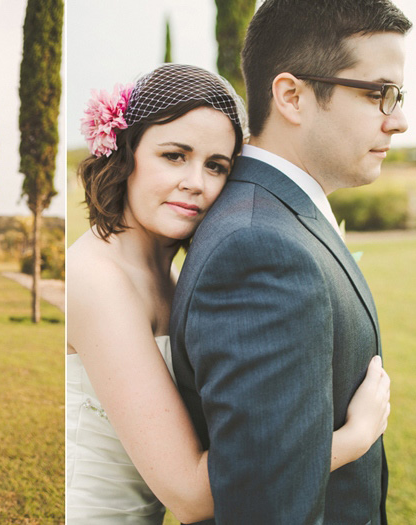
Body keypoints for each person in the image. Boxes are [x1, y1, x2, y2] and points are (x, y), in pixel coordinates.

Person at [68, 63, 392, 524]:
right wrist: (352, 439)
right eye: (174, 155)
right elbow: (192, 496)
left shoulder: (168, 271)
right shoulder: (98, 281)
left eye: (216, 165)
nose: (196, 183)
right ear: (126, 152)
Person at [169, 1, 411, 523]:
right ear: (292, 96)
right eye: (379, 94)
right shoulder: (258, 248)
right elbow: (266, 504)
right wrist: (358, 437)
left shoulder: (277, 217)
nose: (399, 121)